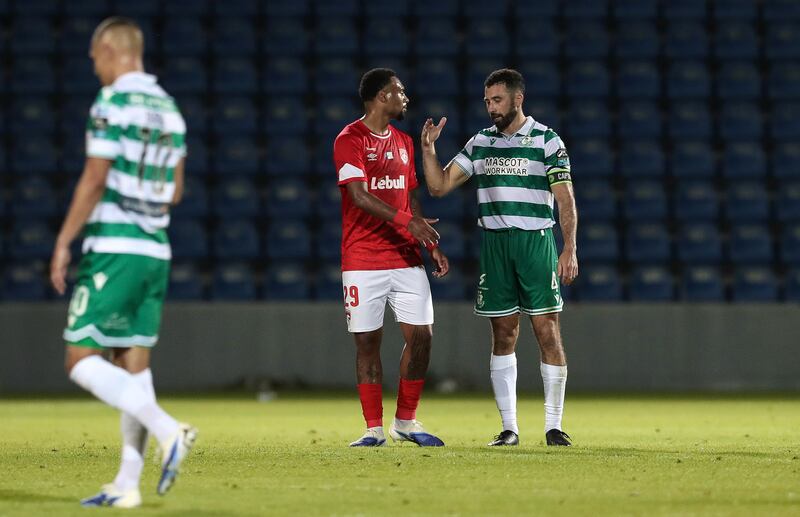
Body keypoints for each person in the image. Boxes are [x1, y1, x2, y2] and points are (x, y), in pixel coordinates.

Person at [49, 17, 197, 508]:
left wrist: (65, 240)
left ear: (112, 50)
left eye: (95, 59)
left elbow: (95, 177)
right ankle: (128, 485)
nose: (95, 69)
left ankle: (168, 429)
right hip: (156, 249)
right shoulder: (170, 110)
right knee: (131, 366)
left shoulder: (112, 103)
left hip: (115, 245)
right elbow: (175, 190)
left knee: (79, 359)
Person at [419, 68, 578, 447]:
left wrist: (569, 247)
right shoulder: (480, 143)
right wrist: (428, 150)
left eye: (497, 100)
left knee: (546, 331)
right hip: (495, 245)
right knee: (503, 333)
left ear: (517, 99)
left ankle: (554, 427)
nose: (491, 108)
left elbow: (565, 198)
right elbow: (439, 186)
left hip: (535, 242)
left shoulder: (547, 140)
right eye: (487, 101)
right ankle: (509, 428)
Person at [333, 68, 450, 447]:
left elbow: (410, 191)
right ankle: (372, 429)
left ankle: (406, 422)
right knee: (367, 343)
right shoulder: (349, 139)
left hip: (404, 256)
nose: (406, 98)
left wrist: (426, 239)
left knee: (422, 336)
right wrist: (407, 222)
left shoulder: (403, 141)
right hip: (363, 258)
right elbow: (359, 196)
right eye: (400, 92)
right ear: (382, 96)